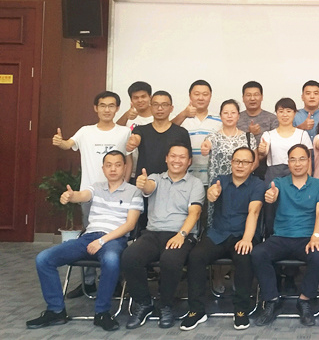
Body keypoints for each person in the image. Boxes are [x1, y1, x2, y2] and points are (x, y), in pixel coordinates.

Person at [27, 151, 143, 332]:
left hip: (114, 239)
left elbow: (130, 225)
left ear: (125, 167)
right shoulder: (96, 187)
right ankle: (56, 310)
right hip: (88, 237)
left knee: (111, 260)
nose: (113, 169)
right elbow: (82, 195)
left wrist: (102, 241)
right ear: (103, 168)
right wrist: (71, 196)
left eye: (118, 165)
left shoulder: (134, 191)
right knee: (44, 258)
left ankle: (102, 313)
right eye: (109, 165)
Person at [52, 90, 132, 298]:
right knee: (89, 237)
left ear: (117, 108)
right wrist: (60, 142)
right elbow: (68, 144)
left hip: (117, 195)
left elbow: (129, 159)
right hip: (90, 194)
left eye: (111, 105)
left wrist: (125, 186)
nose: (107, 109)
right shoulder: (85, 131)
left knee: (116, 239)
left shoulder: (124, 132)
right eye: (103, 105)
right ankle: (88, 283)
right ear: (96, 108)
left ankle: (113, 280)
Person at [181, 147, 265, 331]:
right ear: (231, 163)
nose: (240, 165)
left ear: (252, 165)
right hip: (218, 233)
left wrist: (247, 239)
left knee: (244, 257)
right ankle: (196, 310)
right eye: (237, 161)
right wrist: (212, 193)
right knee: (195, 256)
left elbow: (254, 211)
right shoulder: (220, 180)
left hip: (243, 234)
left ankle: (241, 310)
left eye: (245, 162)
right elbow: (212, 194)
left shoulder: (258, 184)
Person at [122, 143, 204, 329]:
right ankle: (144, 303)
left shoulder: (195, 183)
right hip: (153, 233)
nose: (177, 160)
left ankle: (165, 305)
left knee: (170, 260)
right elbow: (148, 187)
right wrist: (143, 183)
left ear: (189, 161)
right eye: (173, 156)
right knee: (129, 257)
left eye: (182, 157)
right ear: (166, 158)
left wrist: (181, 235)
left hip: (181, 234)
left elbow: (195, 213)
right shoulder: (155, 178)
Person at [252, 144, 319, 327]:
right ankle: (272, 300)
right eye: (293, 159)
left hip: (307, 238)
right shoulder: (279, 183)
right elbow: (272, 193)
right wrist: (271, 196)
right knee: (258, 253)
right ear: (288, 162)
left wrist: (316, 237)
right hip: (281, 237)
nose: (297, 163)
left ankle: (304, 300)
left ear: (309, 161)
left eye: (302, 159)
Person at [126, 91, 191, 230]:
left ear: (171, 108)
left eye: (164, 105)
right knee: (143, 227)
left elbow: (187, 160)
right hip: (144, 184)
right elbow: (135, 137)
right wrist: (133, 141)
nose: (160, 108)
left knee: (169, 225)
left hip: (172, 187)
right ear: (150, 107)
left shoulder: (181, 132)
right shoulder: (141, 130)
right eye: (155, 105)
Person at [171, 80, 223, 187]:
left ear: (210, 96)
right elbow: (167, 130)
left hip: (212, 179)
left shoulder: (219, 120)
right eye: (197, 94)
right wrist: (183, 114)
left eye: (205, 94)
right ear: (190, 96)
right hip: (185, 179)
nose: (201, 98)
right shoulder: (181, 118)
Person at [201, 100, 259, 189]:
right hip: (219, 186)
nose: (229, 116)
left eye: (233, 113)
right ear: (220, 116)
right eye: (225, 113)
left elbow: (255, 162)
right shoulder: (212, 137)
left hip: (243, 186)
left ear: (238, 116)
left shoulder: (248, 137)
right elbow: (206, 146)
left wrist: (241, 176)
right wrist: (205, 148)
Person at [257, 98, 313, 184]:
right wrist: (261, 151)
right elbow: (262, 155)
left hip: (297, 175)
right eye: (281, 111)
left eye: (288, 111)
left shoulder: (302, 134)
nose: (285, 115)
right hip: (274, 176)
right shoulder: (268, 135)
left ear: (294, 113)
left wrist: (308, 182)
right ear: (276, 113)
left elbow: (308, 161)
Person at [238, 81, 279, 179]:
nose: (252, 98)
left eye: (256, 95)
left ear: (262, 97)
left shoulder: (272, 119)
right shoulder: (236, 118)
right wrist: (249, 134)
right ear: (243, 98)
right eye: (248, 95)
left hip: (266, 168)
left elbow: (276, 145)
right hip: (240, 165)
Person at [116, 82, 154, 183]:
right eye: (136, 98)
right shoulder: (127, 118)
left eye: (143, 96)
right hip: (131, 172)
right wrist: (125, 116)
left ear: (150, 98)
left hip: (154, 171)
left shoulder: (159, 117)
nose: (140, 100)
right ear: (131, 100)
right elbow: (114, 132)